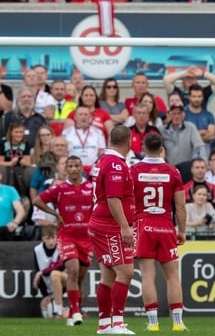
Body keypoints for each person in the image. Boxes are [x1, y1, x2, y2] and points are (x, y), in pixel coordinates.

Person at [131, 133, 189, 331]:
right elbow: (180, 207)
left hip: (143, 224)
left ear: (143, 148)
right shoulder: (172, 171)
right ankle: (178, 323)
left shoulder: (135, 170)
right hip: (165, 224)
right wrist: (181, 230)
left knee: (147, 275)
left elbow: (127, 201)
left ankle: (153, 324)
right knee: (172, 276)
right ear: (162, 149)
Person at [32, 156, 94, 326]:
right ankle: (74, 314)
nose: (73, 169)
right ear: (66, 169)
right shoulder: (60, 189)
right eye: (70, 166)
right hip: (66, 235)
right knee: (72, 271)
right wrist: (55, 215)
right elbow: (37, 200)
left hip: (87, 238)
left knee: (80, 278)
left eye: (76, 165)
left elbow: (103, 205)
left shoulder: (92, 188)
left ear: (82, 167)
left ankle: (75, 311)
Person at [88, 126, 136, 334]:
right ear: (130, 141)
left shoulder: (104, 161)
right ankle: (117, 323)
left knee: (108, 275)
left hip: (101, 223)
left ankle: (104, 324)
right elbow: (113, 198)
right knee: (125, 272)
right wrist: (125, 227)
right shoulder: (116, 164)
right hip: (110, 226)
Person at [31, 223, 69, 319]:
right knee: (46, 311)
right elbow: (38, 271)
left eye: (54, 238)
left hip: (66, 282)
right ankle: (61, 310)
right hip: (50, 286)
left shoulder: (61, 246)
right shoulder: (37, 250)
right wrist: (45, 295)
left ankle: (58, 310)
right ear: (43, 238)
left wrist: (41, 272)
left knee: (54, 274)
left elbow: (60, 266)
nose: (51, 242)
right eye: (48, 238)